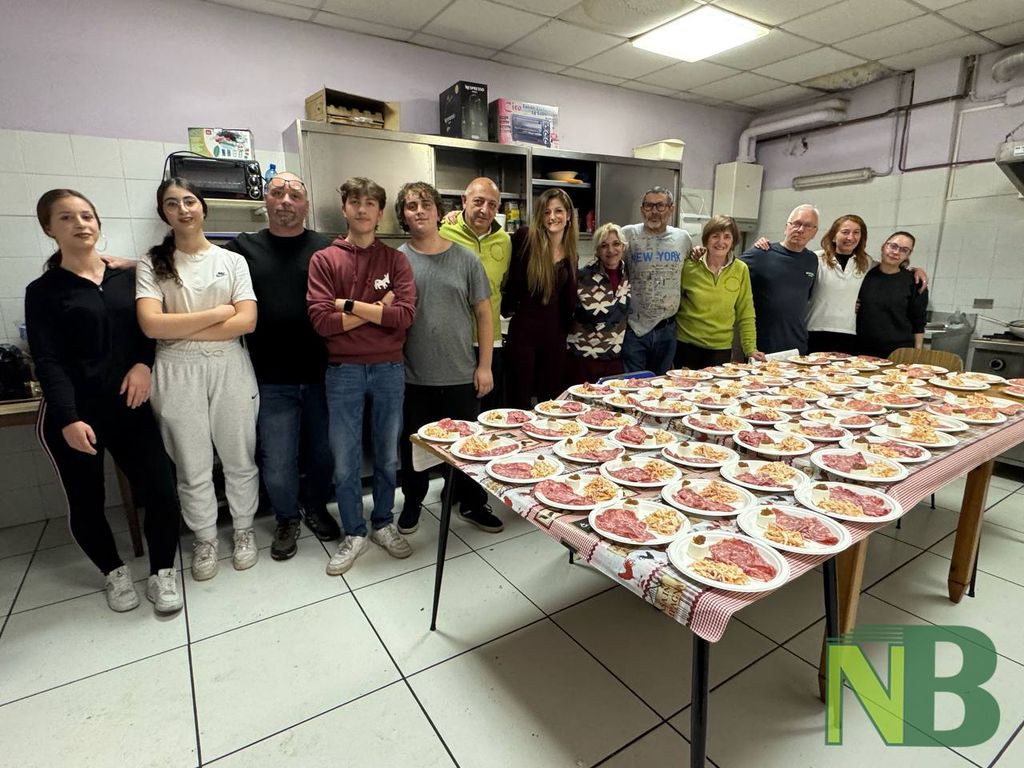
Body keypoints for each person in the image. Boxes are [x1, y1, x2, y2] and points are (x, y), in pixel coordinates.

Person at [25, 189, 182, 614]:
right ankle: (113, 572)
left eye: (87, 215)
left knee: (162, 491)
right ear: (48, 228)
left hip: (129, 408)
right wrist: (68, 418)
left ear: (97, 222)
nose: (80, 223)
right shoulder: (43, 291)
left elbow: (147, 330)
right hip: (76, 415)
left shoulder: (127, 279)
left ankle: (163, 572)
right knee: (86, 501)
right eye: (66, 217)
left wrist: (144, 365)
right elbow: (48, 360)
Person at [136, 178, 260, 582]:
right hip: (176, 369)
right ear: (164, 214)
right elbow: (151, 325)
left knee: (239, 456)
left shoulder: (232, 261)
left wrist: (180, 326)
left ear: (203, 207)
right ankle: (205, 538)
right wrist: (217, 314)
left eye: (189, 201)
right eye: (172, 204)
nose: (183, 209)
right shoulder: (152, 263)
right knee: (192, 464)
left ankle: (243, 530)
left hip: (229, 364)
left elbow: (247, 321)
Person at [223, 172, 341, 562]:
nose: (286, 199)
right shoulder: (243, 248)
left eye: (294, 194)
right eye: (277, 192)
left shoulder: (327, 248)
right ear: (266, 201)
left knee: (324, 453)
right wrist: (136, 264)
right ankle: (287, 518)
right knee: (277, 462)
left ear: (306, 204)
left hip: (323, 374)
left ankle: (315, 506)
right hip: (270, 378)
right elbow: (195, 261)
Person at [307, 177, 416, 576]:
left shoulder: (396, 260)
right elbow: (322, 322)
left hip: (389, 369)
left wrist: (347, 306)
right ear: (345, 208)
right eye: (355, 202)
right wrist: (376, 308)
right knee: (345, 459)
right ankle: (354, 531)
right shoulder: (324, 260)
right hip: (344, 373)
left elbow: (403, 316)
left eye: (371, 203)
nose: (363, 209)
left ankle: (383, 523)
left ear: (380, 212)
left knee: (387, 456)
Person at [394, 182, 503, 534]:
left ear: (439, 211)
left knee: (468, 447)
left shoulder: (465, 259)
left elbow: (484, 314)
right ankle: (413, 502)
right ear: (403, 215)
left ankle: (472, 502)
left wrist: (484, 366)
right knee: (414, 448)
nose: (420, 211)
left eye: (426, 204)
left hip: (461, 373)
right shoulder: (397, 261)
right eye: (412, 206)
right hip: (414, 376)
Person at [752, 214, 929, 354]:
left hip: (849, 335)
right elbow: (787, 260)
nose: (850, 237)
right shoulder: (814, 258)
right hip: (813, 331)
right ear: (834, 235)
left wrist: (914, 270)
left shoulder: (867, 263)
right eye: (845, 232)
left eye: (856, 232)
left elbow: (890, 266)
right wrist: (766, 247)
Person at [501, 188, 578, 407]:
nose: (552, 217)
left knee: (551, 403)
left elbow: (568, 300)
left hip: (554, 336)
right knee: (518, 402)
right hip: (523, 333)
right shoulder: (525, 238)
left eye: (558, 211)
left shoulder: (571, 252)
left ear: (569, 215)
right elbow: (513, 282)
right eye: (546, 212)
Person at [439, 178, 512, 410]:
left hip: (491, 343)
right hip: (454, 342)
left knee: (489, 415)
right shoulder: (443, 232)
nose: (484, 210)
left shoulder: (505, 241)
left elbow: (503, 285)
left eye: (492, 205)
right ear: (464, 200)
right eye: (478, 201)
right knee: (457, 417)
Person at [675, 215, 763, 368]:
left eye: (727, 237)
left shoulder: (741, 269)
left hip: (720, 349)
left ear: (733, 241)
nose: (721, 242)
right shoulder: (689, 266)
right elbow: (674, 302)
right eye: (715, 236)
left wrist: (750, 349)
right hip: (685, 346)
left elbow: (746, 312)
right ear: (706, 239)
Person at [620, 187, 692, 375]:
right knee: (632, 384)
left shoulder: (683, 238)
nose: (654, 211)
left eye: (660, 206)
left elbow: (694, 266)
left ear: (671, 209)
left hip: (667, 329)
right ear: (642, 209)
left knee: (661, 384)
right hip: (633, 328)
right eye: (649, 206)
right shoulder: (628, 235)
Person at [739, 204, 819, 355]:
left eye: (808, 226)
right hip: (761, 347)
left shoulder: (812, 260)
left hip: (797, 346)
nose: (800, 229)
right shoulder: (761, 253)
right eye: (796, 223)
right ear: (786, 227)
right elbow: (726, 268)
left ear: (814, 232)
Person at [566, 222, 630, 384]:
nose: (611, 250)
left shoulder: (629, 274)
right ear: (597, 251)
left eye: (616, 244)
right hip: (582, 358)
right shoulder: (581, 277)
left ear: (623, 247)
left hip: (614, 359)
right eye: (604, 245)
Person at [857, 231, 929, 358]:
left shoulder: (915, 282)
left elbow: (919, 322)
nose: (896, 252)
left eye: (904, 250)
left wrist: (917, 354)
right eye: (893, 246)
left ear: (908, 255)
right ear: (883, 246)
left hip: (899, 352)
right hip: (863, 349)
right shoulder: (864, 275)